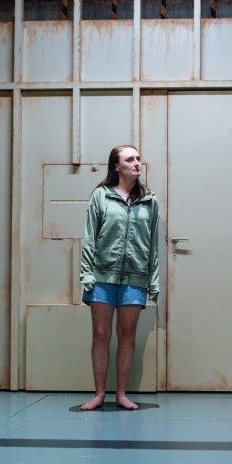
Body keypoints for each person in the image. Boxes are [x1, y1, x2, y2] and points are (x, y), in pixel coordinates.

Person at [78, 144, 161, 411]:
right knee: (100, 334)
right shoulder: (101, 196)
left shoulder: (149, 200)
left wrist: (153, 280)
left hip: (135, 277)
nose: (137, 162)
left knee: (127, 336)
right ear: (116, 166)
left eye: (138, 158)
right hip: (102, 276)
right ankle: (99, 393)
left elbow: (153, 243)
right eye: (130, 159)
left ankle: (122, 394)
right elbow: (90, 237)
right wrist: (87, 273)